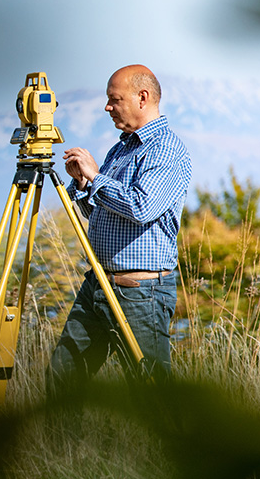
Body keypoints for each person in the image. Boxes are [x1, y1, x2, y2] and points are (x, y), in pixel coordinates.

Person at [48, 64, 192, 394]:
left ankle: (168, 446)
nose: (107, 107)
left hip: (140, 293)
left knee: (149, 389)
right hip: (98, 285)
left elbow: (142, 208)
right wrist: (83, 184)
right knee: (63, 378)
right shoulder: (121, 148)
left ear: (143, 98)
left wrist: (97, 178)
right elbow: (101, 214)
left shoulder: (165, 149)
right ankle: (63, 447)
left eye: (114, 99)